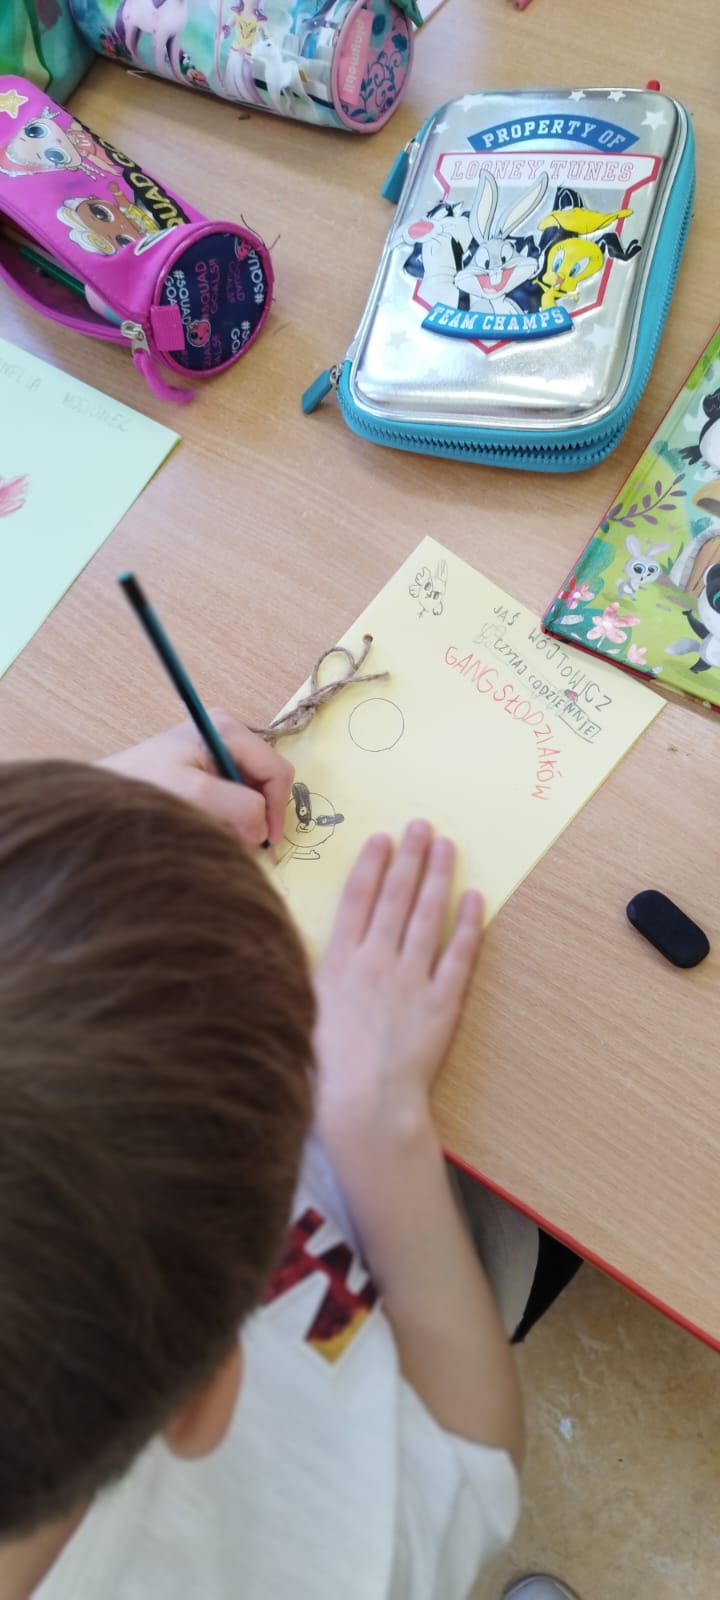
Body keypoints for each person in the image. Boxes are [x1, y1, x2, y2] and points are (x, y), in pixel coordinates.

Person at [0, 712, 574, 1600]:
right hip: (431, 1273)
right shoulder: (309, 1568)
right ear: (208, 1395)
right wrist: (376, 1119)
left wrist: (78, 857)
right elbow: (472, 1461)